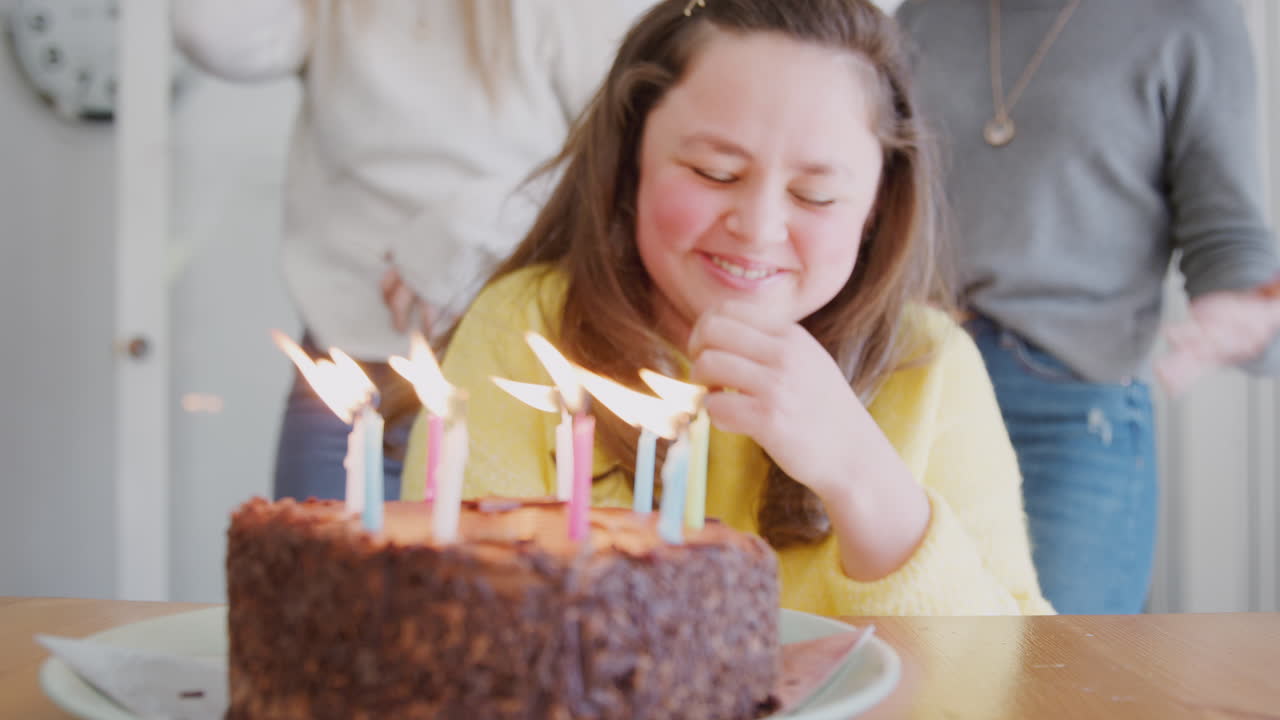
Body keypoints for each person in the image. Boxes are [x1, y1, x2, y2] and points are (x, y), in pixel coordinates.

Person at [404, 0, 1053, 616]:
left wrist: (861, 473)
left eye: (817, 195)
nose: (759, 226)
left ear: (878, 204)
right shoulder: (526, 329)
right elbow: (455, 624)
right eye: (715, 173)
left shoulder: (929, 364)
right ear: (632, 161)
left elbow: (1014, 676)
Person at [172, 0, 649, 501]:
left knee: (497, 573)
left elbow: (617, 158)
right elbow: (205, 27)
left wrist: (470, 227)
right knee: (314, 568)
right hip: (350, 370)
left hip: (503, 369)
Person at [895, 0, 1280, 614]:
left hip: (1067, 409)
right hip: (914, 381)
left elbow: (1229, 233)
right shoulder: (926, 15)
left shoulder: (1190, 19)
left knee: (1052, 685)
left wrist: (1241, 314)